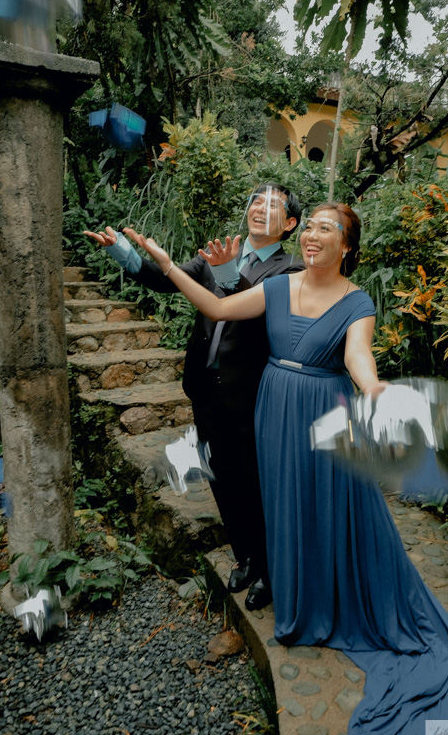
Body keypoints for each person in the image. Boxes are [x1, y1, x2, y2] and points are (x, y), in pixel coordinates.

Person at [122, 201, 448, 735]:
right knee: (284, 503)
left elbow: (359, 356)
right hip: (274, 405)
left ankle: (335, 600)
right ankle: (300, 601)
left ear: (347, 246)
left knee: (328, 504)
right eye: (311, 226)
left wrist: (374, 390)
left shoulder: (357, 301)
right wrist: (168, 264)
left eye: (327, 229)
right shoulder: (277, 286)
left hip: (323, 409)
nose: (314, 235)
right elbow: (216, 307)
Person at [84, 183, 303, 611]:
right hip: (205, 387)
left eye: (273, 205)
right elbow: (165, 279)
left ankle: (270, 570)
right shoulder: (217, 254)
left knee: (257, 483)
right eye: (256, 201)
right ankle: (245, 556)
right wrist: (124, 253)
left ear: (290, 224)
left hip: (252, 393)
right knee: (222, 477)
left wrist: (227, 274)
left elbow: (254, 312)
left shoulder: (290, 270)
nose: (260, 208)